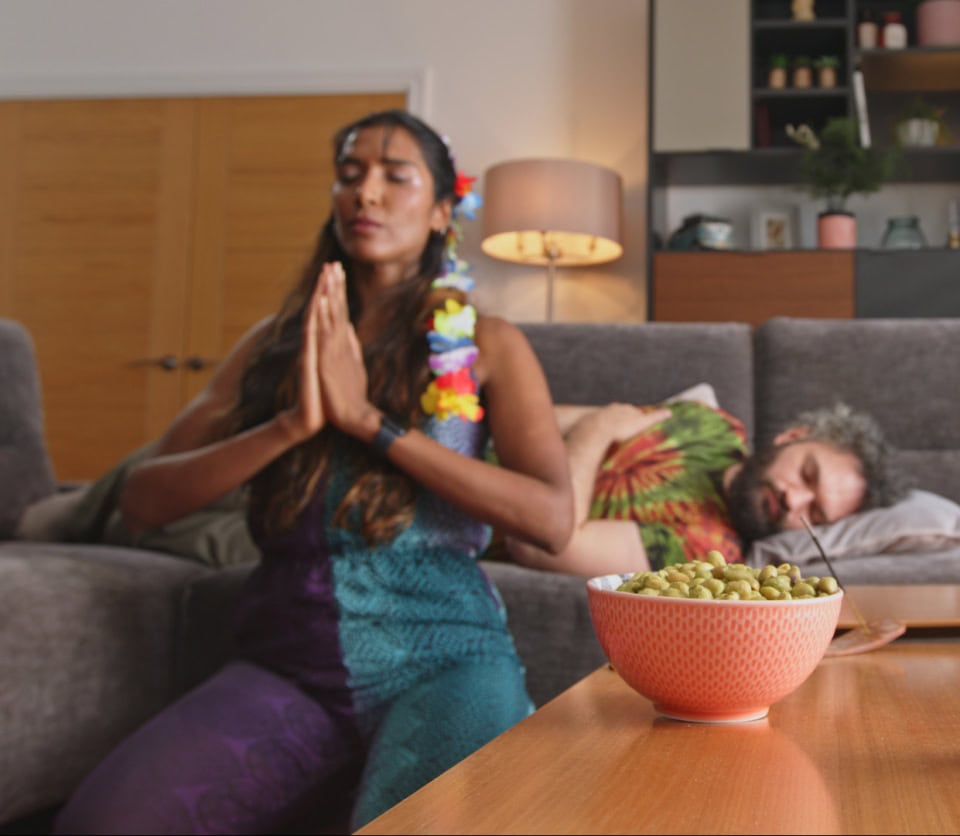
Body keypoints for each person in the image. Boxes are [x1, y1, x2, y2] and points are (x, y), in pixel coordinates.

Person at [53, 109, 574, 835]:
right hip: (290, 664)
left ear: (441, 211)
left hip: (444, 657)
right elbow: (143, 500)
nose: (367, 193)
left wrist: (370, 423)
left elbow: (551, 520)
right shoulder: (273, 345)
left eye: (396, 177)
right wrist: (291, 425)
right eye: (350, 174)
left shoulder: (487, 343)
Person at [505, 398, 906, 577]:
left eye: (814, 513)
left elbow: (539, 542)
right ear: (792, 437)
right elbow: (547, 418)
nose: (793, 500)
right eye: (807, 474)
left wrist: (597, 430)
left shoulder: (709, 553)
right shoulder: (713, 424)